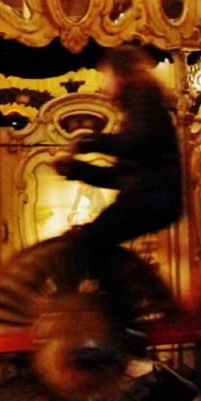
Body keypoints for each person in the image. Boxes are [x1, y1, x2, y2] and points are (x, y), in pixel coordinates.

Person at [51, 45, 183, 268]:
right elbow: (121, 176)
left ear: (122, 76)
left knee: (91, 241)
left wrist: (88, 141)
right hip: (150, 196)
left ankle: (104, 298)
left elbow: (136, 143)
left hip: (153, 197)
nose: (104, 86)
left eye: (108, 77)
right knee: (96, 241)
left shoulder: (145, 103)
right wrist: (75, 169)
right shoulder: (139, 106)